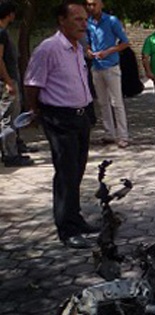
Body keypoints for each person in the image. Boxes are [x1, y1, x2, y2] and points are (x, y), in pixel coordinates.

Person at [24, 0, 98, 249]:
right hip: (59, 118)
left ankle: (75, 219)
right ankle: (66, 230)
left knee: (76, 170)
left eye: (85, 20)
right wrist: (35, 111)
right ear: (62, 21)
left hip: (81, 116)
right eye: (77, 19)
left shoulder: (78, 48)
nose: (83, 24)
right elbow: (32, 84)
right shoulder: (49, 48)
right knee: (65, 173)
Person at [86, 0, 130, 148]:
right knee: (102, 103)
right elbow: (87, 42)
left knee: (116, 102)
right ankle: (109, 133)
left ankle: (123, 135)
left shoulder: (111, 21)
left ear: (101, 4)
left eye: (94, 4)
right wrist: (89, 51)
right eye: (88, 4)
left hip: (111, 66)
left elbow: (125, 42)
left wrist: (108, 52)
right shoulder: (88, 23)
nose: (91, 7)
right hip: (96, 66)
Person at [0, 0, 32, 167]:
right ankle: (10, 154)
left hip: (9, 79)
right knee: (10, 118)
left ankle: (13, 149)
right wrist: (8, 81)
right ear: (10, 14)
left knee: (10, 117)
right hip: (7, 81)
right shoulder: (1, 33)